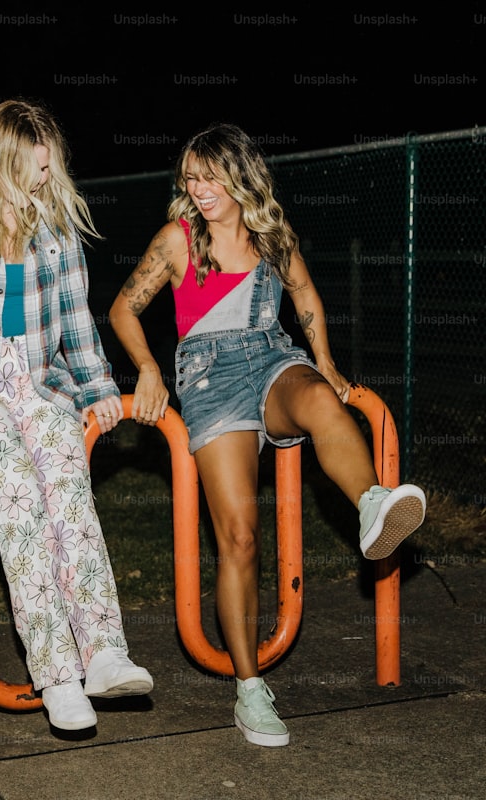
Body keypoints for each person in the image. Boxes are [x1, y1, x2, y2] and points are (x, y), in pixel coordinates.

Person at [109, 123, 426, 747]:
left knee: (319, 399)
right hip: (209, 380)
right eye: (191, 179)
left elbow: (304, 293)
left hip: (272, 357)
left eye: (211, 177)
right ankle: (250, 691)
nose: (199, 189)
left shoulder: (271, 237)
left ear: (241, 174)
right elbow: (122, 307)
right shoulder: (178, 242)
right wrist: (148, 367)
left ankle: (370, 506)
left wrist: (326, 359)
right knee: (241, 537)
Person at [0, 99, 153, 733]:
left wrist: (98, 384)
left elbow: (75, 309)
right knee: (19, 509)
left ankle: (103, 652)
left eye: (47, 168)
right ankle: (56, 675)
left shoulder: (50, 212)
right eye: (29, 169)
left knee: (70, 500)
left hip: (44, 382)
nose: (40, 181)